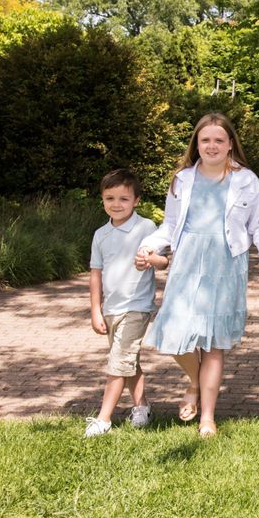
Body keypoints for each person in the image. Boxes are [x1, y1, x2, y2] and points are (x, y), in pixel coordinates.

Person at [135, 112, 259, 438]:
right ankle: (194, 383)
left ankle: (208, 418)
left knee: (214, 344)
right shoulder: (182, 179)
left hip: (226, 265)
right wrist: (148, 246)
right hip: (187, 263)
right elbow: (170, 226)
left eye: (219, 140)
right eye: (205, 140)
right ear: (196, 144)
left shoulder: (247, 181)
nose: (212, 146)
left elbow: (258, 226)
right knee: (174, 334)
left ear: (230, 144)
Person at [84, 169, 167, 438]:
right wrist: (95, 310)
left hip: (137, 306)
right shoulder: (100, 234)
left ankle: (103, 419)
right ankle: (142, 407)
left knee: (118, 361)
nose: (116, 204)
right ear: (102, 199)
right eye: (110, 198)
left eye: (124, 198)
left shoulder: (146, 228)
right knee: (128, 360)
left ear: (136, 200)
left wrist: (151, 260)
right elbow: (95, 274)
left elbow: (163, 262)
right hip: (111, 308)